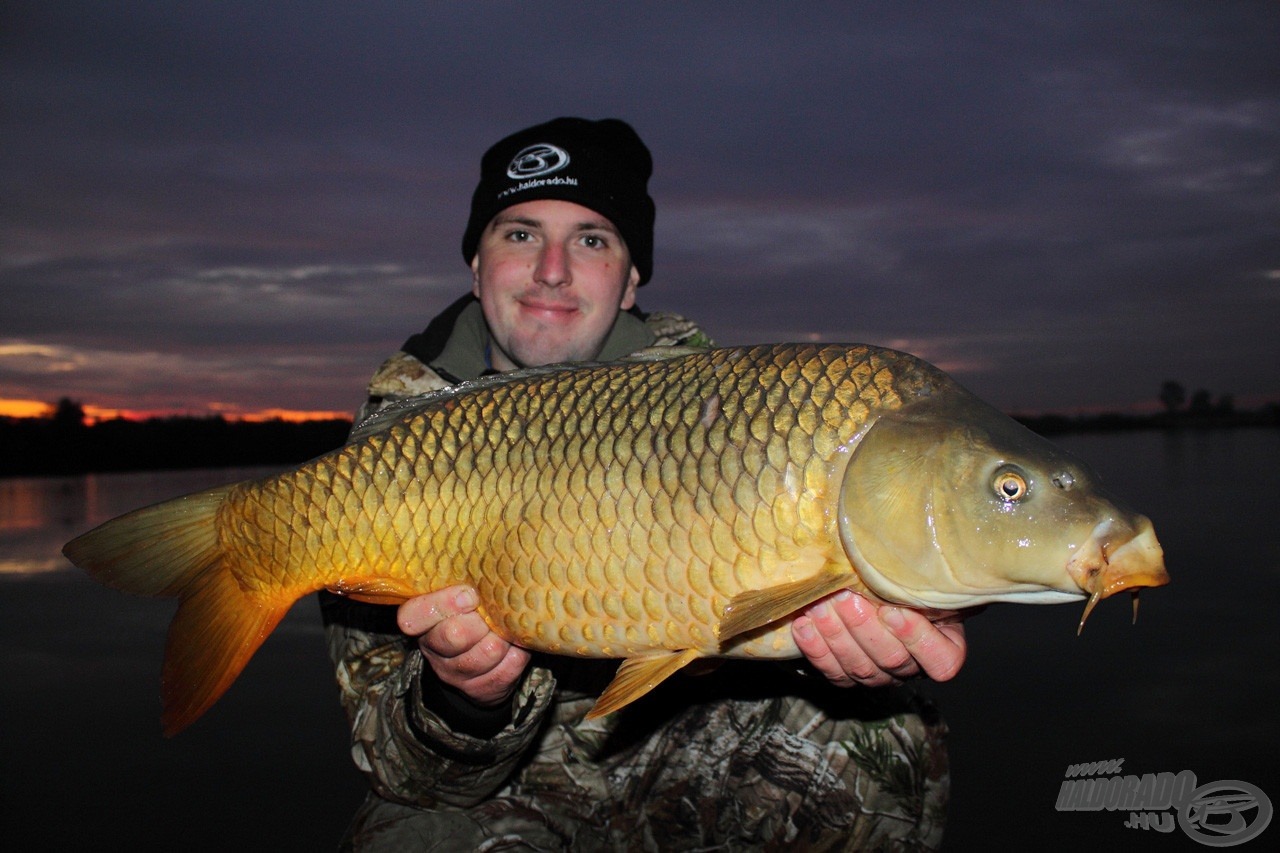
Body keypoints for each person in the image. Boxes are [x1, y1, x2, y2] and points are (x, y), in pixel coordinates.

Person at [321, 117, 969, 851]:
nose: (553, 268)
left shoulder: (735, 412)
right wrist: (462, 696)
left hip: (686, 764)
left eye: (592, 239)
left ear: (631, 279)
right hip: (506, 796)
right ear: (476, 263)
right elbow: (407, 776)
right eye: (521, 233)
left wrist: (907, 606)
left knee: (887, 733)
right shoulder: (394, 451)